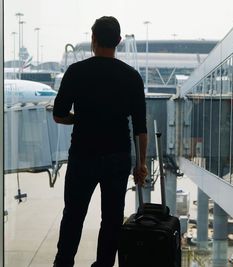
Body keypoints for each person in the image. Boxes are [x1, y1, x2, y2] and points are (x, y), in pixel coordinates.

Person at [52, 16, 148, 267]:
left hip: (83, 154)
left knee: (73, 215)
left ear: (93, 40)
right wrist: (142, 165)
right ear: (118, 41)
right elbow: (141, 128)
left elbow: (59, 115)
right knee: (112, 219)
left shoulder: (76, 72)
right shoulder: (132, 77)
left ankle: (63, 263)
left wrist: (80, 119)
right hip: (117, 157)